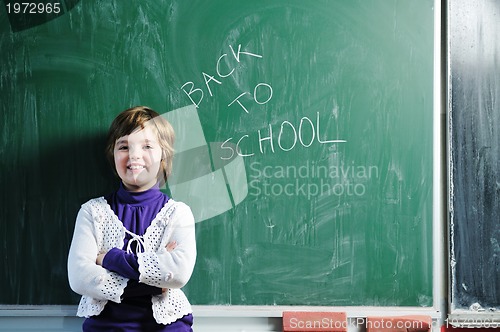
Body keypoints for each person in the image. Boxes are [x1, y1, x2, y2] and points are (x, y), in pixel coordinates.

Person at [68, 106, 196, 331]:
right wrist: (155, 285)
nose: (134, 155)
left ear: (163, 154)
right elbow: (79, 277)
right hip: (106, 327)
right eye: (124, 146)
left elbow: (177, 273)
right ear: (113, 153)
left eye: (147, 146)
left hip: (167, 326)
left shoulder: (178, 213)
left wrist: (109, 258)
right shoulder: (92, 212)